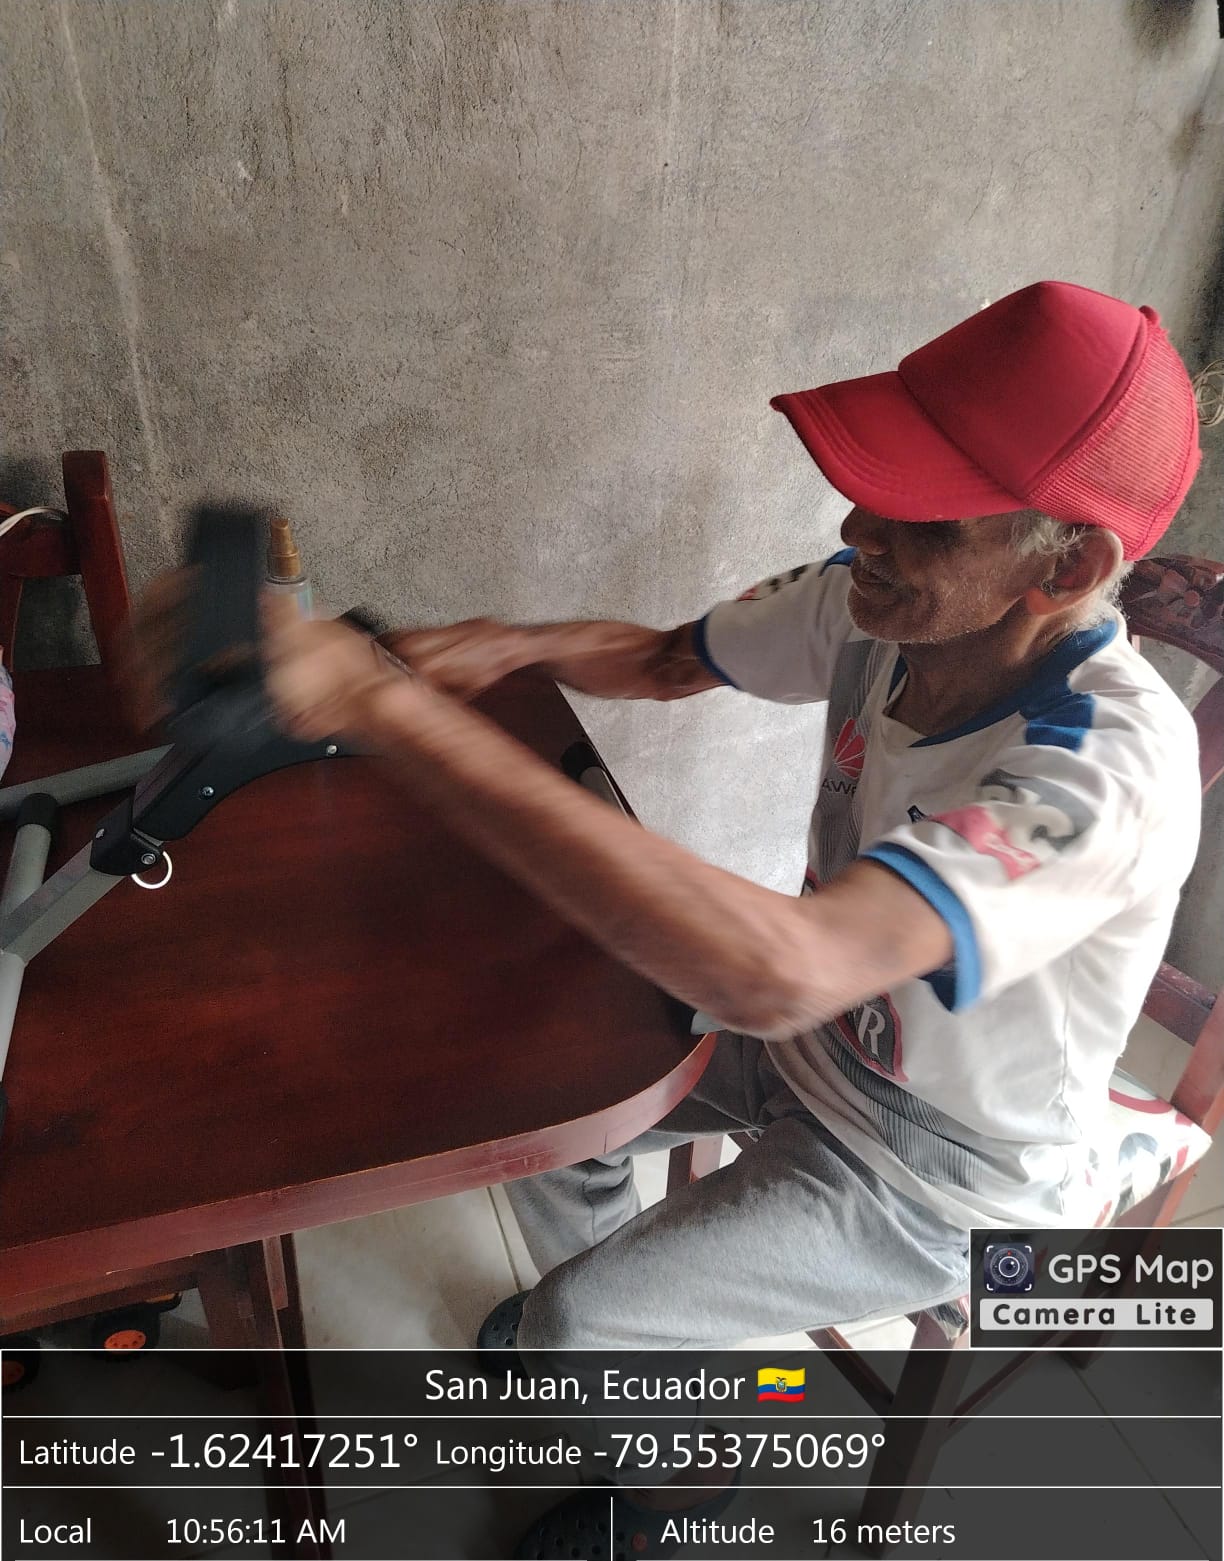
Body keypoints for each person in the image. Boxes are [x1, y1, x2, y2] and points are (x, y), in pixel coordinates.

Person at [132, 279, 1204, 1554]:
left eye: (920, 517)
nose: (859, 527)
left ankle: (681, 1473)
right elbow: (663, 658)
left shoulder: (1101, 773)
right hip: (818, 1049)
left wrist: (380, 708)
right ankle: (617, 1349)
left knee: (575, 1330)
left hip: (938, 1173)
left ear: (1066, 566)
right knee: (531, 1093)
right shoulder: (879, 603)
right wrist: (485, 646)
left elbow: (780, 970)